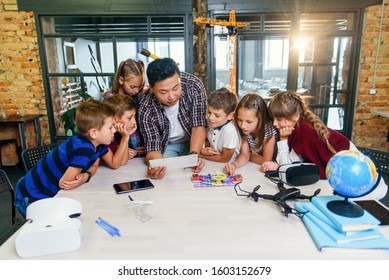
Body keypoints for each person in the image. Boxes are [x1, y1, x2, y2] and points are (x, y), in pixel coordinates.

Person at [261, 90, 388, 200]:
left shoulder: (304, 134)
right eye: (273, 119)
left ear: (295, 116)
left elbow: (286, 166)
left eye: (279, 119)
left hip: (363, 187)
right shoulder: (302, 126)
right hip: (361, 179)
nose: (275, 124)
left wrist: (283, 139)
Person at [14, 99, 116, 218]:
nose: (114, 130)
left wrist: (85, 175)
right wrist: (84, 178)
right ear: (93, 133)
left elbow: (94, 165)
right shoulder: (84, 148)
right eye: (110, 127)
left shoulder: (98, 145)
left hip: (40, 191)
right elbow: (65, 183)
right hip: (31, 195)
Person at [138, 57, 207, 179]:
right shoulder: (146, 107)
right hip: (166, 144)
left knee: (193, 173)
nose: (171, 96)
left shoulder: (194, 86)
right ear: (152, 89)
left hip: (191, 140)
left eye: (176, 88)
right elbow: (153, 147)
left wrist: (194, 156)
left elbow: (198, 126)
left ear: (180, 78)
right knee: (167, 177)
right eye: (163, 92)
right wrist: (157, 166)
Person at [100, 58, 146, 158]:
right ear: (121, 80)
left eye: (139, 86)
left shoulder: (140, 98)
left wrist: (148, 145)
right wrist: (119, 148)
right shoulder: (107, 99)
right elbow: (101, 131)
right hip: (117, 153)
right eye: (132, 87)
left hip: (141, 152)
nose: (136, 91)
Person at [224, 93, 277, 175]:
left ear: (260, 119)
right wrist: (234, 165)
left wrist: (249, 155)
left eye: (249, 121)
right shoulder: (244, 130)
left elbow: (266, 160)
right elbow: (245, 155)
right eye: (240, 120)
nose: (243, 125)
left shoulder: (268, 131)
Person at [200, 87, 240, 163]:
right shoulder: (212, 122)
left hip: (229, 165)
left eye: (217, 115)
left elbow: (224, 159)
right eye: (209, 112)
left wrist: (199, 154)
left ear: (230, 116)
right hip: (215, 162)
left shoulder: (229, 130)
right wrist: (202, 150)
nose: (210, 118)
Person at [101, 94, 138, 168]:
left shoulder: (117, 134)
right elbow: (114, 165)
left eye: (134, 116)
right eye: (129, 118)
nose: (134, 122)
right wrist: (125, 138)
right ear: (114, 119)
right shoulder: (103, 136)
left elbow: (123, 162)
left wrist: (126, 135)